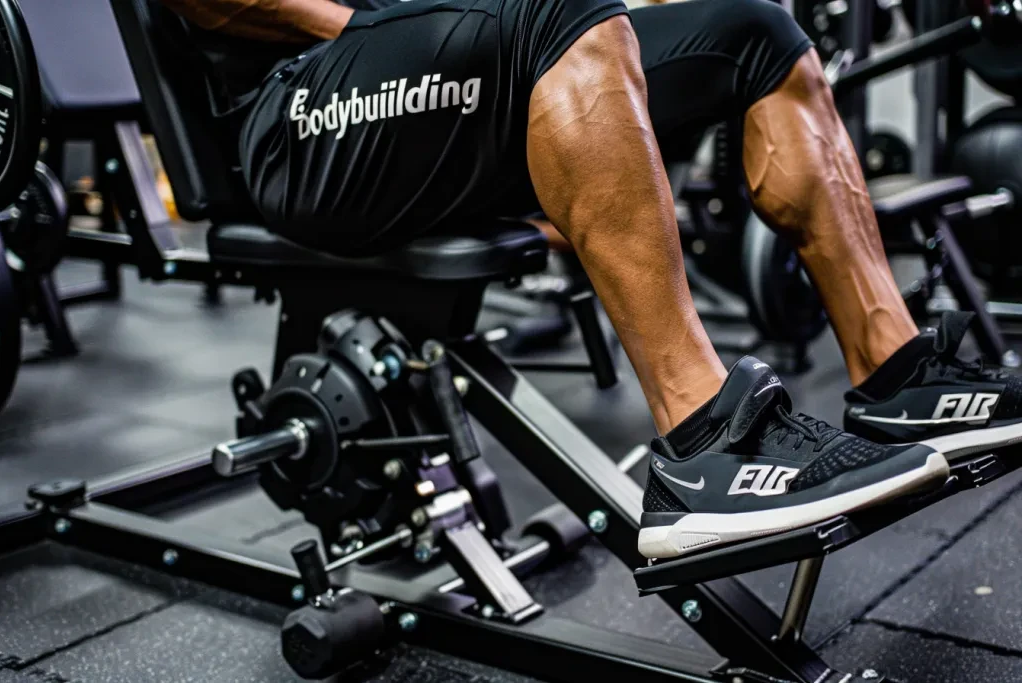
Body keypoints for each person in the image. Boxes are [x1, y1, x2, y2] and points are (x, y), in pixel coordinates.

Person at [159, 0, 1022, 560]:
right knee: (551, 16)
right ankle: (703, 446)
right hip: (293, 116)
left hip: (443, 72)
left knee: (758, 34)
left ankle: (896, 370)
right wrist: (389, 16)